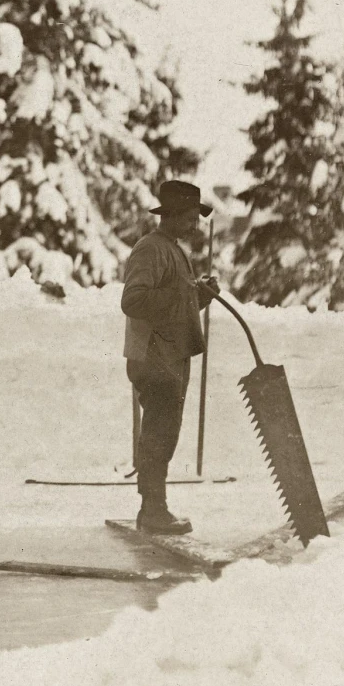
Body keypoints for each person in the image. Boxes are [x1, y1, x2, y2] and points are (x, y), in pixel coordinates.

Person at [120, 180, 218, 534]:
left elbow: (176, 303)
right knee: (160, 432)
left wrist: (199, 295)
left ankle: (154, 507)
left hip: (171, 356)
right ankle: (152, 511)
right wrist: (184, 295)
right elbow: (133, 300)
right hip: (154, 356)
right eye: (191, 218)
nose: (195, 225)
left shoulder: (174, 250)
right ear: (173, 216)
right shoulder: (150, 250)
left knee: (165, 431)